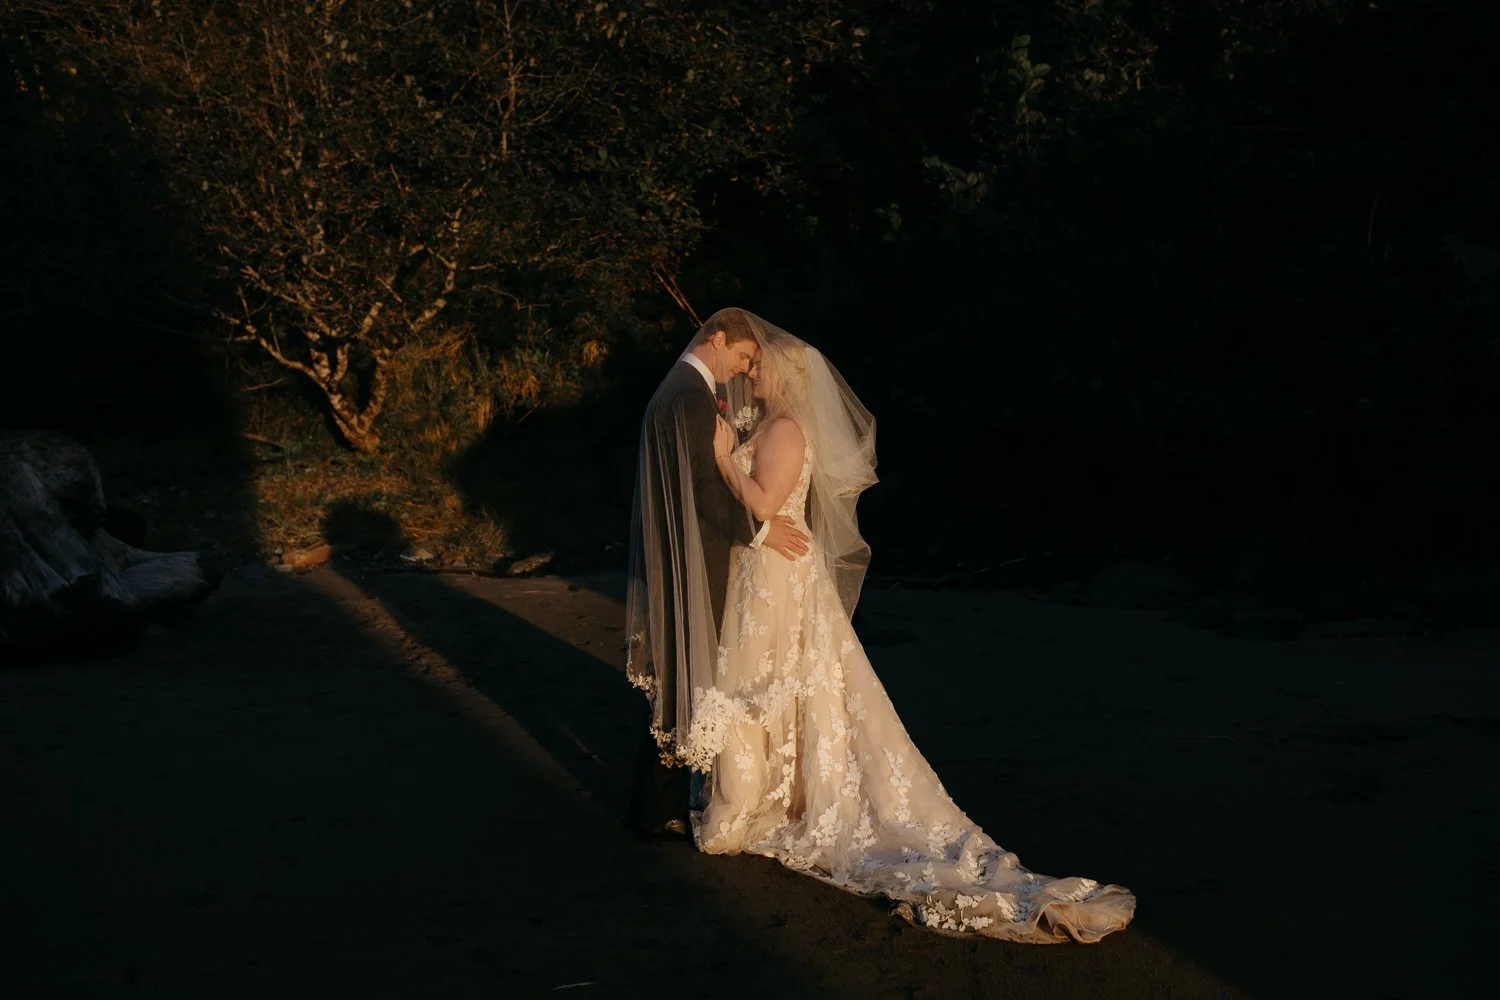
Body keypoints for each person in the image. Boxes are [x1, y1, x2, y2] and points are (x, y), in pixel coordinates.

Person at [686, 313, 1136, 943]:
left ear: (786, 373)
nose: (751, 373)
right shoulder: (768, 425)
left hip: (779, 579)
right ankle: (770, 790)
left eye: (759, 365)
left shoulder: (786, 430)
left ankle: (764, 798)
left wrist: (720, 457)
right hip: (765, 574)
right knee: (773, 682)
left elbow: (763, 502)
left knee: (777, 679)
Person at [623, 308, 809, 838]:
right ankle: (656, 810)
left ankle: (660, 803)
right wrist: (759, 531)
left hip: (688, 556)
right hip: (689, 561)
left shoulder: (680, 388)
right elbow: (701, 489)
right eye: (744, 356)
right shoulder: (688, 394)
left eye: (754, 363)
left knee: (681, 679)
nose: (745, 369)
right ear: (719, 339)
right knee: (678, 682)